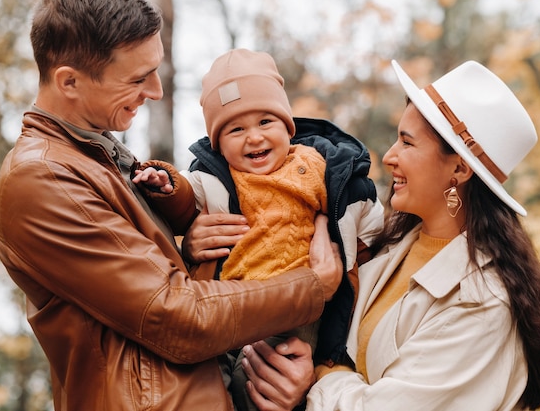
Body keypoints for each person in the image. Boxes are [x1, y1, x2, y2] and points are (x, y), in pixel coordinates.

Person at [0, 0, 344, 410]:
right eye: (138, 78)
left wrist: (188, 248)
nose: (156, 91)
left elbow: (140, 293)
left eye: (155, 71)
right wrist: (312, 286)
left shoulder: (98, 159)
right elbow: (173, 317)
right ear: (69, 82)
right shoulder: (42, 177)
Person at [296, 60, 540, 410]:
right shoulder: (388, 245)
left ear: (459, 169)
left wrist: (320, 378)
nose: (389, 156)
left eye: (407, 142)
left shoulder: (481, 303)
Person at [137, 48, 383, 411]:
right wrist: (166, 184)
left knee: (260, 379)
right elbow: (186, 198)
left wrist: (363, 247)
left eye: (266, 122)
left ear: (288, 127)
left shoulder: (316, 165)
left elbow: (364, 217)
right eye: (236, 129)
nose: (253, 137)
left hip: (300, 307)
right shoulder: (217, 178)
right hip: (234, 304)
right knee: (210, 373)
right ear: (218, 144)